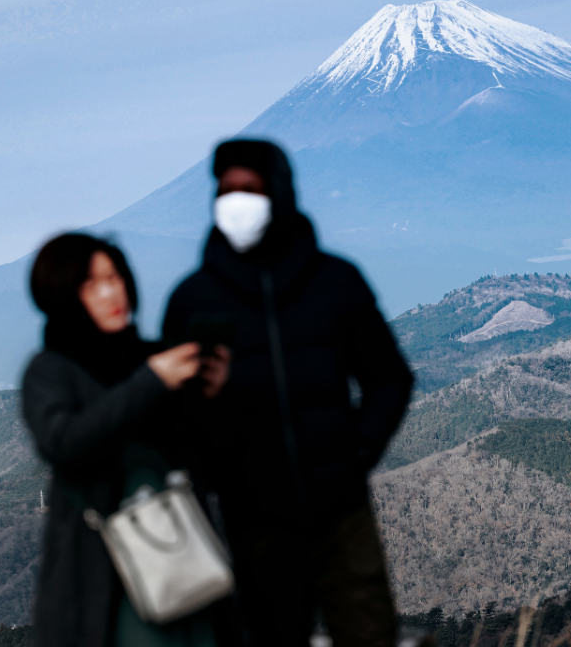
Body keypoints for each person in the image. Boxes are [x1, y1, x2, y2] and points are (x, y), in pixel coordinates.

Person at [161, 139, 413, 647]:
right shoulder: (193, 300)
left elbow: (389, 377)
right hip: (253, 520)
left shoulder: (335, 282)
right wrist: (218, 472)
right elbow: (173, 414)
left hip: (340, 511)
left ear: (278, 194)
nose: (236, 202)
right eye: (226, 190)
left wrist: (355, 452)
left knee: (369, 635)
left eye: (248, 189)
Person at [22, 233, 232, 647]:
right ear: (64, 297)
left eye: (115, 277)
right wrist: (151, 382)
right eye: (91, 284)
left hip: (185, 559)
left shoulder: (157, 360)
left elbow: (215, 462)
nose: (111, 292)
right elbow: (63, 442)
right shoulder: (51, 372)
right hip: (102, 576)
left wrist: (214, 395)